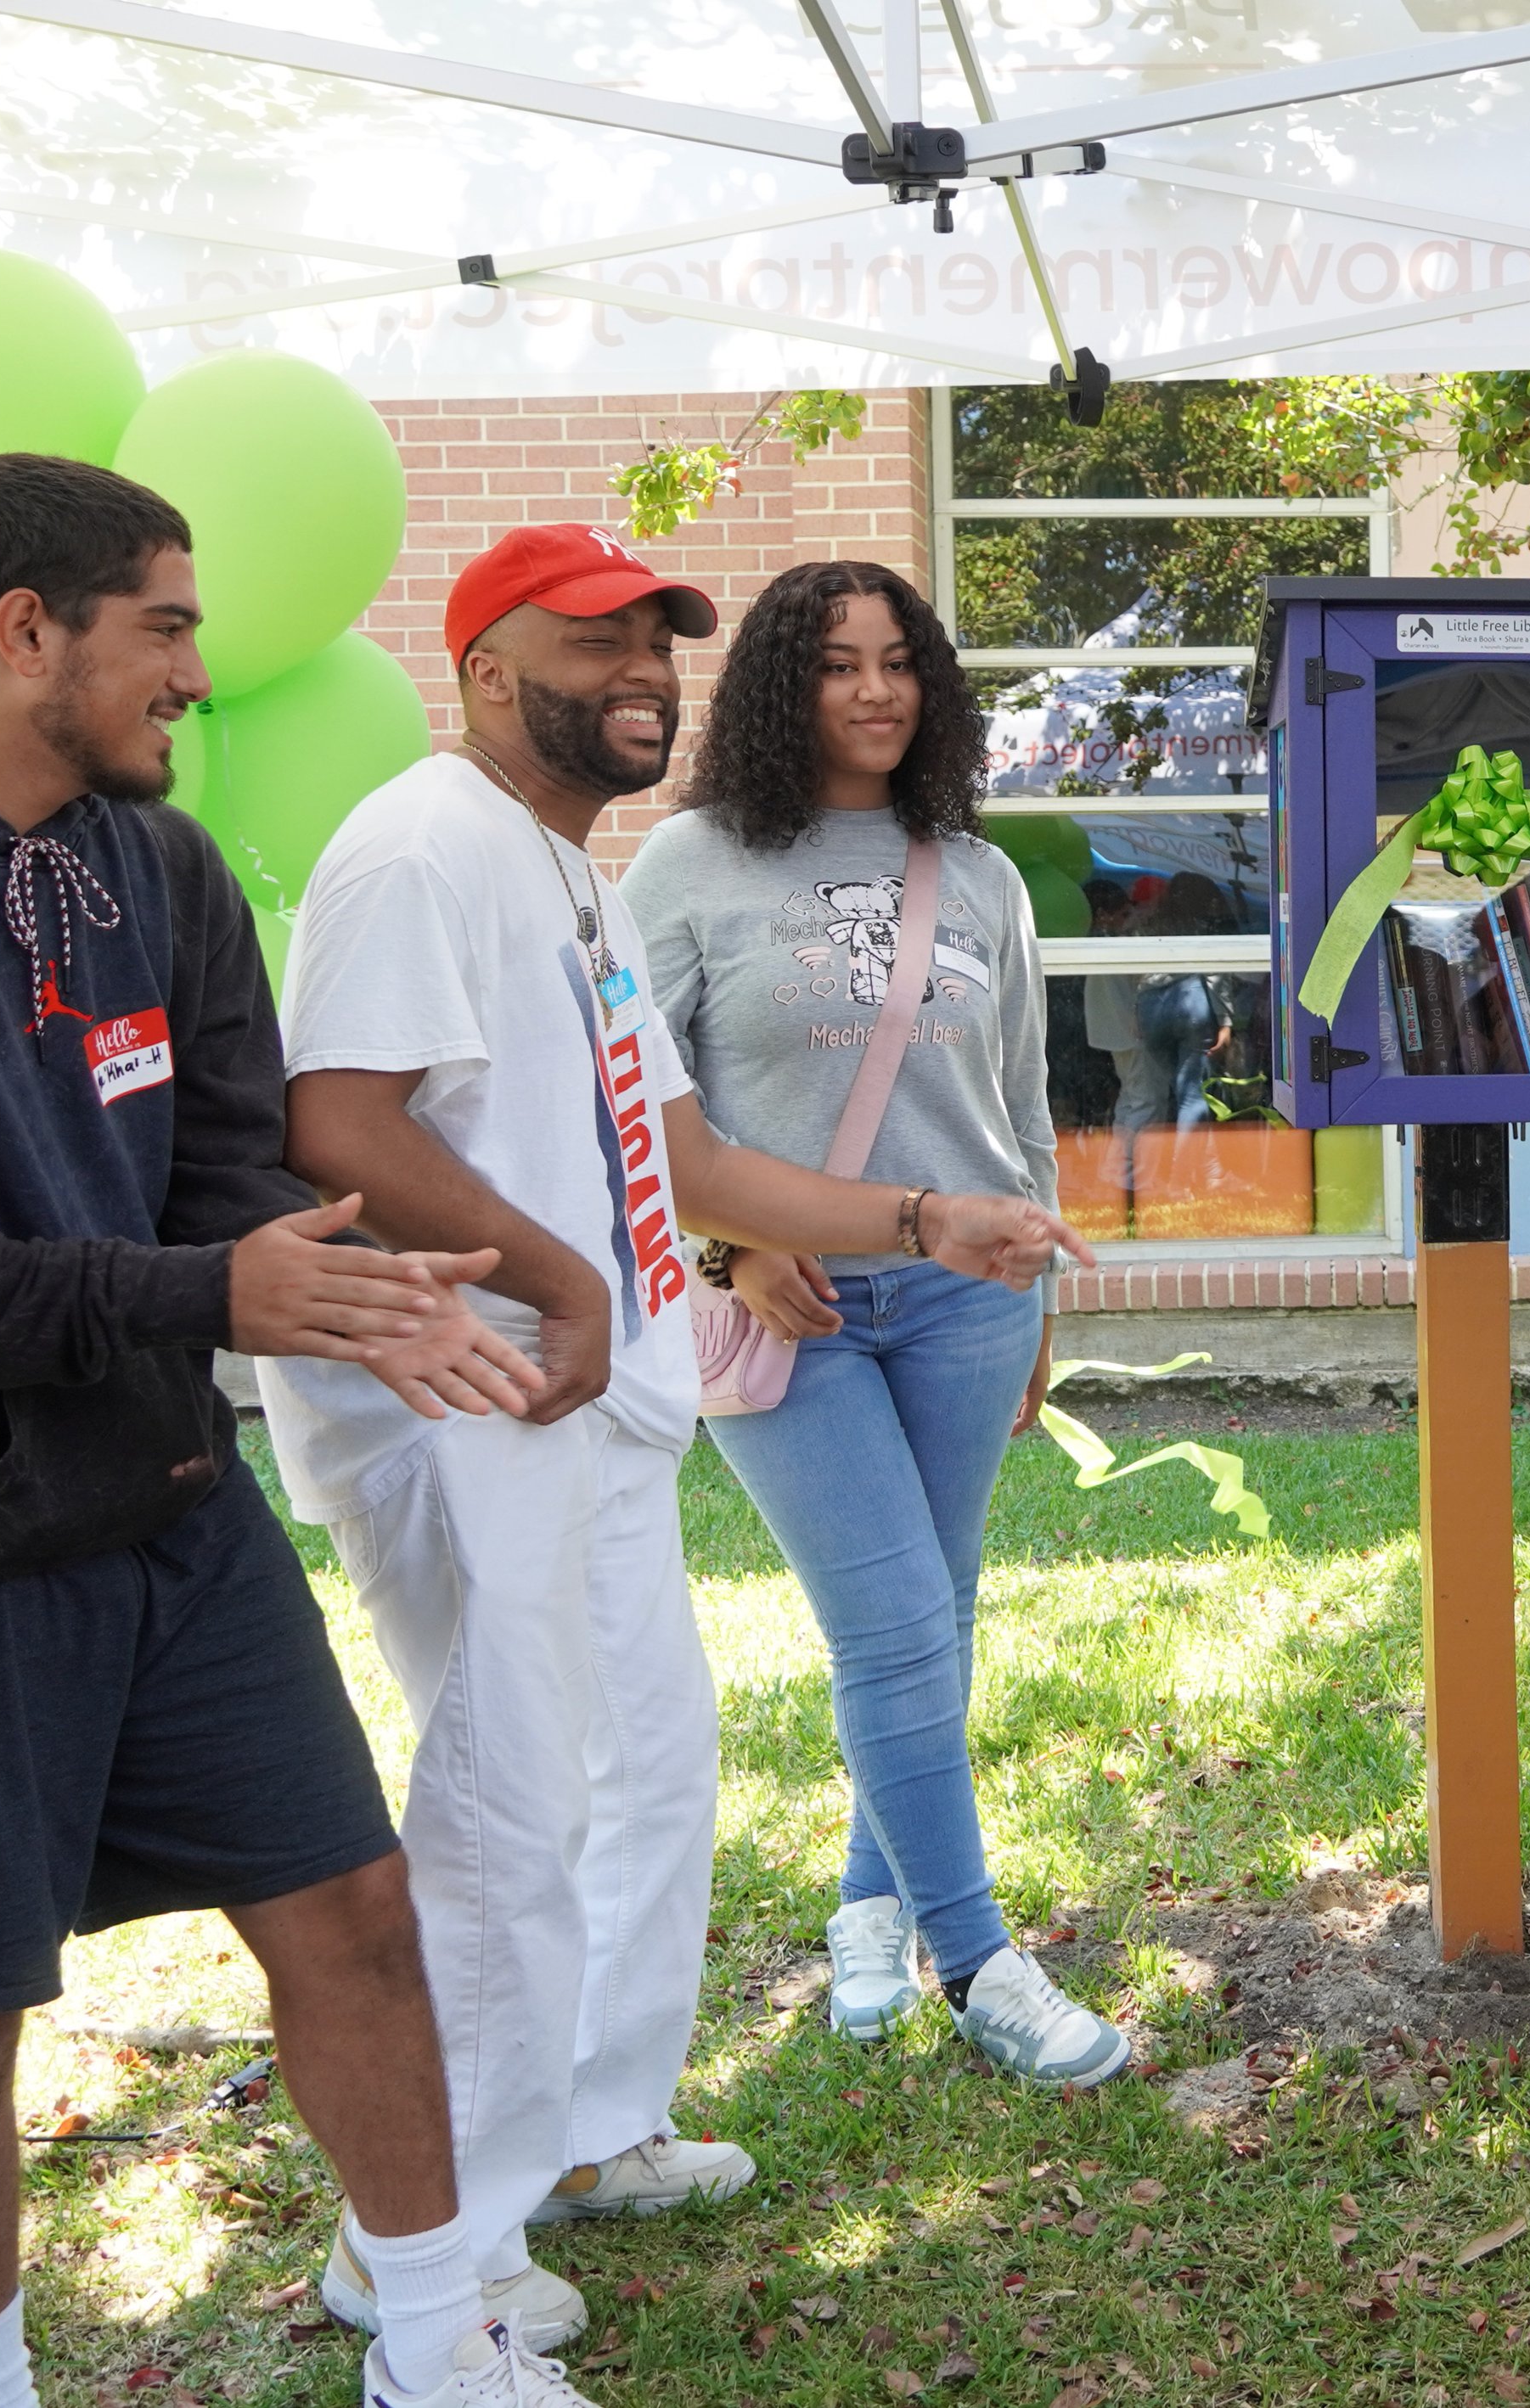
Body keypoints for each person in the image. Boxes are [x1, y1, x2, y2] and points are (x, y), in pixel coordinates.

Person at [263, 525, 1092, 2349]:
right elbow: (337, 1123)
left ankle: (583, 2131)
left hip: (604, 1398)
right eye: (592, 642)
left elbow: (688, 1152)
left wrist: (926, 1220)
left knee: (651, 1767)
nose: (639, 670)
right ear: (484, 670)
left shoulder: (567, 869)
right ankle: (426, 2243)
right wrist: (567, 1281)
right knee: (512, 1809)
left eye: (656, 640)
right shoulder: (419, 846)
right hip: (477, 1396)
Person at [0, 454, 584, 2408]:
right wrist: (207, 1295)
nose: (196, 671)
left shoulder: (158, 871)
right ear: (26, 632)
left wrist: (357, 1288)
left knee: (353, 1911)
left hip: (174, 1512)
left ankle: (437, 2348)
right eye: (164, 627)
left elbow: (227, 1173)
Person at [619, 559, 1123, 2085]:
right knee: (894, 1620)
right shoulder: (690, 863)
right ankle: (978, 1963)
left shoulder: (978, 876)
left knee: (933, 1612)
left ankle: (867, 1903)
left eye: (900, 661)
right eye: (839, 663)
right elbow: (628, 1104)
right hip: (795, 1302)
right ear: (786, 684)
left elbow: (1019, 1102)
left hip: (970, 1296)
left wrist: (1037, 1293)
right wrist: (725, 1247)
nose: (876, 689)